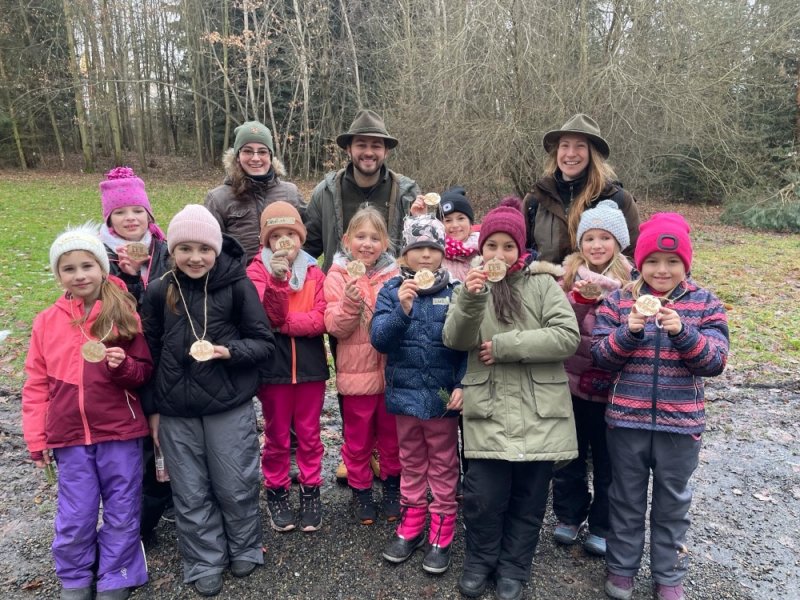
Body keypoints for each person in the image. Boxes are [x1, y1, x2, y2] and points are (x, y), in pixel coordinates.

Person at [443, 198, 580, 600]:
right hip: (489, 410)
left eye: (508, 246)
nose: (499, 254)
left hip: (540, 412)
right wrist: (471, 300)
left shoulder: (542, 285)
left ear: (521, 249)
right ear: (481, 248)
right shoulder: (471, 287)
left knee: (529, 499)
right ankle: (480, 561)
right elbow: (456, 339)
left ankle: (514, 567)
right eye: (492, 246)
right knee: (483, 498)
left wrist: (506, 346)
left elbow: (567, 336)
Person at [592, 213, 729, 600]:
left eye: (672, 261)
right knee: (626, 500)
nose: (662, 270)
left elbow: (715, 361)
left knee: (672, 505)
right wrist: (628, 332)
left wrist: (684, 334)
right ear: (639, 262)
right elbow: (601, 356)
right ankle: (621, 569)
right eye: (652, 261)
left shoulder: (706, 304)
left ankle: (669, 576)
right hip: (627, 421)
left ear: (686, 263)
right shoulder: (619, 301)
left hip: (681, 426)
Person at [139, 205, 274, 597]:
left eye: (204, 249)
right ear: (172, 251)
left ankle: (245, 546)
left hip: (227, 404)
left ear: (216, 249)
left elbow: (264, 343)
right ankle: (203, 560)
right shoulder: (159, 290)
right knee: (190, 489)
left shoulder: (237, 286)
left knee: (235, 483)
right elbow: (148, 353)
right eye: (185, 248)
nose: (195, 257)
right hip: (175, 410)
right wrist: (152, 409)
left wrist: (228, 351)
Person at [22, 224, 152, 600]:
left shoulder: (123, 311)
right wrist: (37, 437)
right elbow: (36, 384)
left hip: (120, 430)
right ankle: (75, 575)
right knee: (76, 511)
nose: (79, 275)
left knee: (122, 506)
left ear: (101, 267)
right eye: (69, 268)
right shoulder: (46, 321)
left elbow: (143, 372)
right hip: (69, 435)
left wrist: (122, 366)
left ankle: (118, 573)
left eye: (87, 265)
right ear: (58, 274)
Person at [371, 215, 467, 574]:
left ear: (442, 253)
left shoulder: (454, 291)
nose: (425, 255)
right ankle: (411, 522)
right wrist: (402, 309)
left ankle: (442, 527)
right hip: (405, 396)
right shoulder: (391, 290)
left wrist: (462, 384)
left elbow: (466, 344)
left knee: (443, 463)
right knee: (411, 461)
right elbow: (380, 339)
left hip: (441, 399)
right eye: (417, 248)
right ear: (405, 253)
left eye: (432, 248)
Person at [551, 200, 635, 557]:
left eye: (605, 238)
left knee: (607, 461)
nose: (596, 245)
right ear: (580, 242)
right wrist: (576, 301)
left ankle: (602, 524)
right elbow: (555, 325)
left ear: (618, 243)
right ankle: (569, 515)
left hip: (612, 389)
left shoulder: (631, 285)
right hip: (570, 382)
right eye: (589, 238)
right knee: (569, 456)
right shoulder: (566, 279)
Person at [96, 166, 173, 539]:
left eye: (137, 210)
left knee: (167, 434)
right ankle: (140, 521)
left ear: (149, 213)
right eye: (121, 211)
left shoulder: (165, 250)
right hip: (125, 362)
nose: (131, 218)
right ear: (109, 218)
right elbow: (115, 316)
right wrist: (129, 278)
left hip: (165, 357)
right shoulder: (98, 257)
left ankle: (169, 496)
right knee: (141, 440)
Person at [246, 201, 328, 533]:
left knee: (309, 434)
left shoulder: (314, 271)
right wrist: (278, 282)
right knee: (277, 436)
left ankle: (311, 489)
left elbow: (322, 318)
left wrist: (286, 325)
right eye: (276, 235)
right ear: (266, 240)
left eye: (291, 234)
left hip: (311, 367)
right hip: (274, 368)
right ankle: (277, 490)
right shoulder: (256, 271)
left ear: (300, 238)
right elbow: (265, 316)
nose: (284, 240)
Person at [323, 206, 401, 525]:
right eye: (360, 237)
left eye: (374, 238)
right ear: (346, 240)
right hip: (357, 376)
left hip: (391, 374)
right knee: (358, 439)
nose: (367, 244)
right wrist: (350, 302)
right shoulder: (337, 275)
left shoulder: (395, 275)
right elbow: (335, 326)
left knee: (392, 437)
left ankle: (393, 487)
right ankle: (361, 491)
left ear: (385, 243)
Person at [304, 109, 420, 273]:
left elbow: (423, 248)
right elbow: (307, 250)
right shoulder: (325, 193)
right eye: (361, 145)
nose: (368, 152)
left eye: (376, 146)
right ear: (348, 149)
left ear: (386, 151)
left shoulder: (406, 194)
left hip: (392, 286)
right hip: (337, 286)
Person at [523, 113, 640, 264]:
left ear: (592, 153)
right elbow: (519, 253)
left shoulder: (618, 199)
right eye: (565, 145)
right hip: (544, 279)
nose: (571, 154)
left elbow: (634, 257)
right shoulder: (536, 199)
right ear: (557, 151)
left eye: (580, 146)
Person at [205, 121, 304, 264]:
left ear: (270, 156)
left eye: (262, 152)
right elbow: (208, 247)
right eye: (248, 151)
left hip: (286, 274)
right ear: (237, 156)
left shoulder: (290, 193)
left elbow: (307, 237)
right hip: (239, 276)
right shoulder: (218, 199)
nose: (255, 158)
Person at [439, 186, 480, 282]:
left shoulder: (485, 249)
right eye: (448, 220)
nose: (455, 225)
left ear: (470, 223)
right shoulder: (436, 252)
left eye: (461, 218)